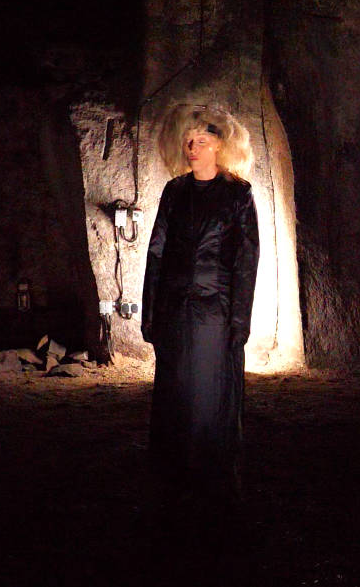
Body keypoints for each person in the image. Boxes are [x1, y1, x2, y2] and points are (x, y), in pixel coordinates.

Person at [141, 104, 259, 515]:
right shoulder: (174, 192)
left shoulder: (238, 195)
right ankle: (173, 481)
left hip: (215, 312)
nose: (193, 148)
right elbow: (157, 253)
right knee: (175, 394)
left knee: (211, 396)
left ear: (220, 145)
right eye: (189, 141)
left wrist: (239, 322)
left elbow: (246, 261)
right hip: (176, 310)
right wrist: (150, 313)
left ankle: (215, 481)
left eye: (202, 141)